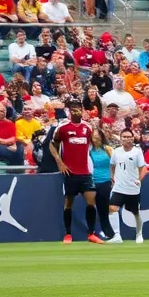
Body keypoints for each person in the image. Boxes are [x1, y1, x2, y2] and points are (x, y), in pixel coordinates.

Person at [49, 98, 103, 244]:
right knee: (69, 203)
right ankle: (68, 234)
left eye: (78, 108)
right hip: (70, 172)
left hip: (85, 172)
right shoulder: (63, 127)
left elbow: (95, 145)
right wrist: (60, 163)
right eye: (72, 109)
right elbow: (52, 145)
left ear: (82, 110)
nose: (76, 111)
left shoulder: (88, 128)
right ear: (69, 111)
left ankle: (91, 234)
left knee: (91, 201)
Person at [109, 128, 146, 244]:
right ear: (120, 139)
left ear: (132, 138)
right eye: (124, 137)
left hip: (132, 188)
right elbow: (112, 165)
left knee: (136, 212)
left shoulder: (137, 152)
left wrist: (139, 180)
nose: (126, 139)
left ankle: (139, 234)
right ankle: (117, 235)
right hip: (119, 186)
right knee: (112, 208)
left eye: (128, 137)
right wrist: (113, 178)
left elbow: (143, 168)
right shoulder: (116, 151)